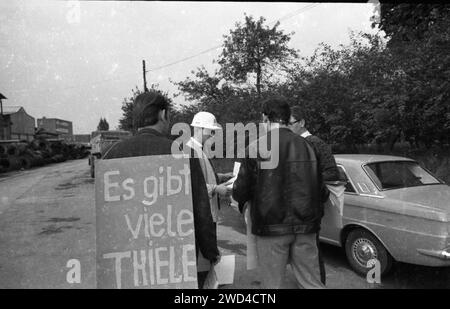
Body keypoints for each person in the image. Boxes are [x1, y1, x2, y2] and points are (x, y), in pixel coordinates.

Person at [102, 91, 220, 288]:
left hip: (131, 255)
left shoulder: (112, 154)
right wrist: (210, 251)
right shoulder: (183, 152)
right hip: (175, 254)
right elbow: (200, 209)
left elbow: (108, 214)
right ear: (164, 114)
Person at [232, 96, 328, 289]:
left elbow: (241, 191)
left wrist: (236, 194)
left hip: (270, 228)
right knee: (312, 283)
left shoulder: (256, 147)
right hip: (306, 227)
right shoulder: (308, 146)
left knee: (272, 285)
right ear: (286, 117)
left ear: (265, 119)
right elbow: (322, 190)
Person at [184, 111, 233, 284]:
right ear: (199, 128)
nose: (212, 135)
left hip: (208, 210)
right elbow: (191, 185)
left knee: (203, 259)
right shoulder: (190, 150)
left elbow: (203, 176)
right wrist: (216, 189)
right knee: (202, 258)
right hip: (202, 212)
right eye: (210, 131)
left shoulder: (198, 149)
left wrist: (221, 176)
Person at [289, 106, 340, 182]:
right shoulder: (290, 145)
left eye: (289, 123)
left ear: (302, 123)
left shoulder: (315, 142)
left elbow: (332, 173)